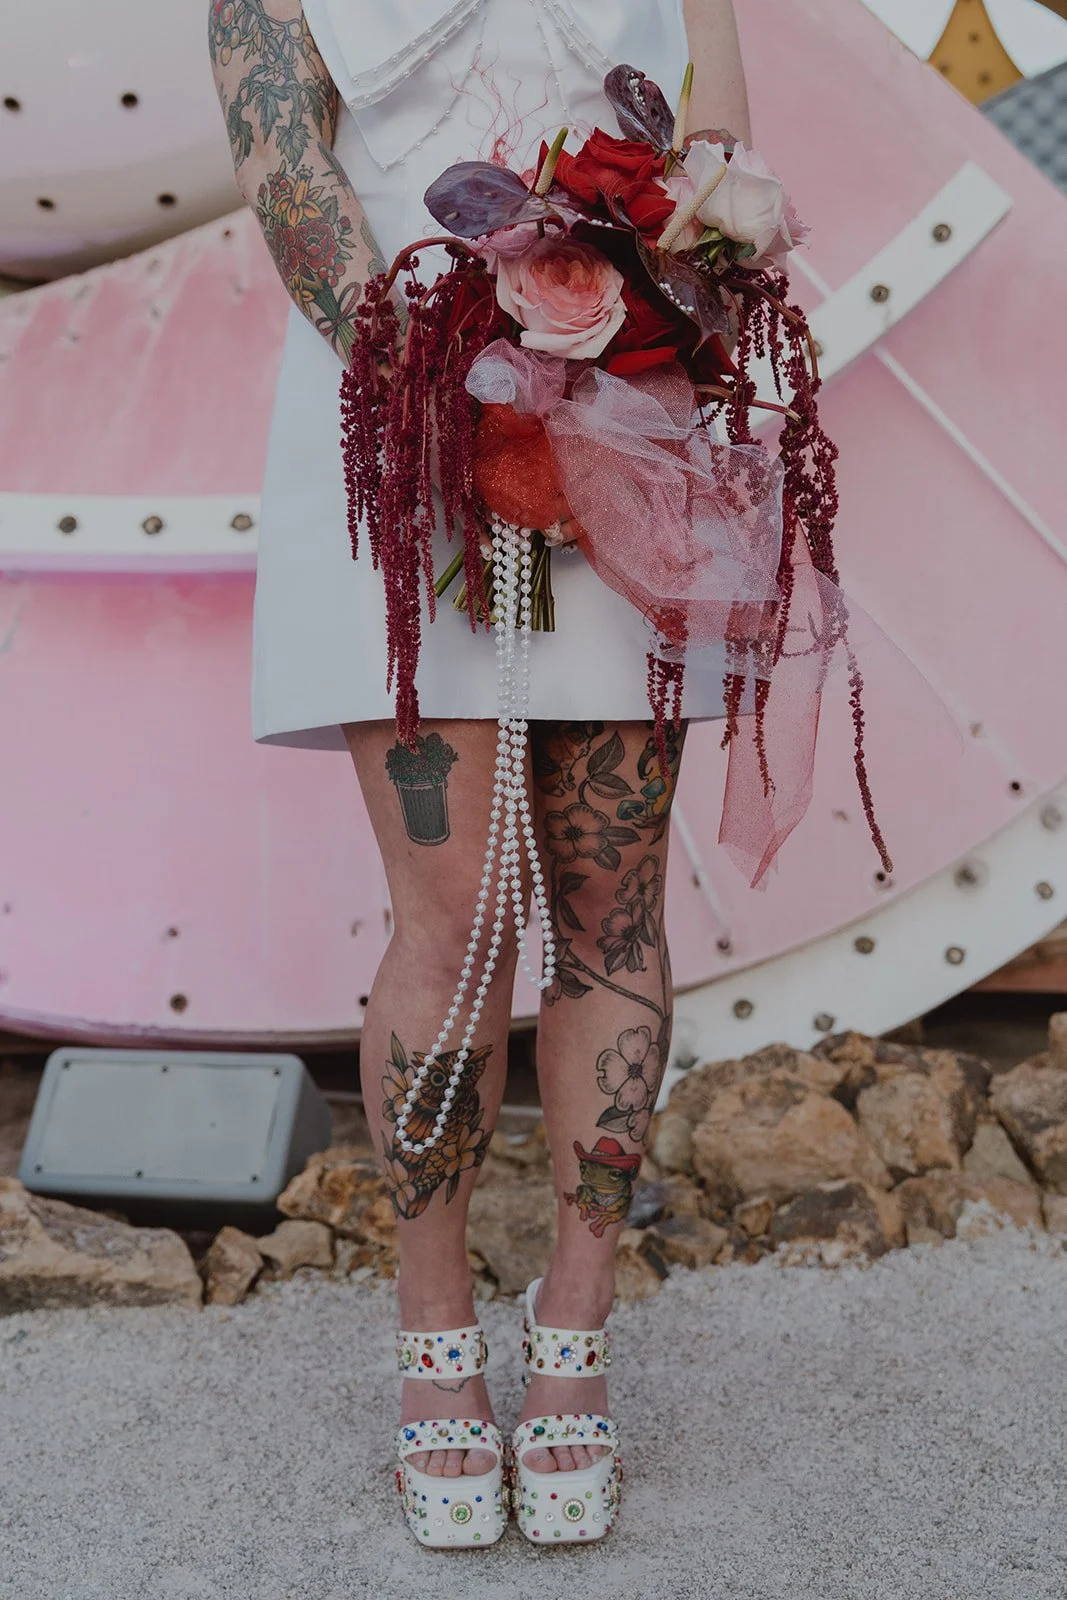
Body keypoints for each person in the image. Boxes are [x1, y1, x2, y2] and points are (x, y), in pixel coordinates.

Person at [210, 0, 751, 1549]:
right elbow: (283, 167)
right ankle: (434, 1333)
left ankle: (575, 1334)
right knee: (450, 903)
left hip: (628, 414)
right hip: (394, 410)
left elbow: (719, 157)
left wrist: (656, 315)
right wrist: (439, 367)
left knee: (609, 896)